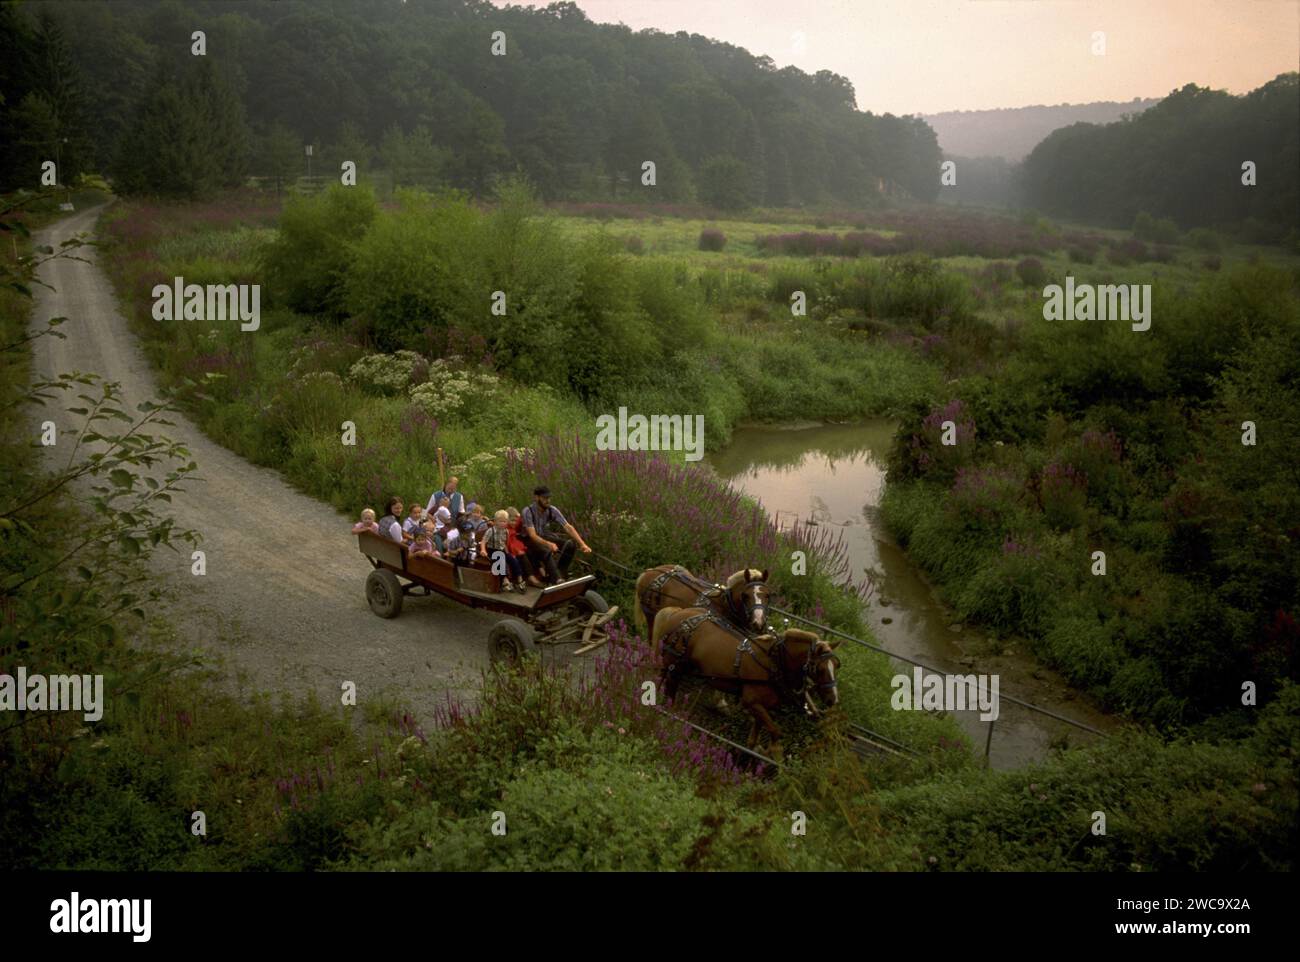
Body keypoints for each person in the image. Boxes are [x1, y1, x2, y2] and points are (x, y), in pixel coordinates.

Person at [522, 485, 591, 584]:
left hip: (542, 536)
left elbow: (568, 527)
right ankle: (557, 579)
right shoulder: (527, 511)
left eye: (549, 498)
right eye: (544, 498)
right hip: (529, 541)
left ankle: (560, 572)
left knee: (570, 545)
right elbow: (532, 535)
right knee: (546, 550)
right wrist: (548, 544)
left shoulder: (552, 509)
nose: (548, 500)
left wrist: (582, 544)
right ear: (536, 498)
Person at [484, 510, 525, 591]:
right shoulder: (491, 530)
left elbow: (504, 543)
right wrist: (483, 550)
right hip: (492, 550)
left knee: (513, 559)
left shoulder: (505, 531)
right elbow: (483, 541)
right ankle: (504, 580)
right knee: (500, 558)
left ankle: (519, 578)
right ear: (495, 522)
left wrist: (508, 553)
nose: (503, 523)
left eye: (505, 522)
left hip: (502, 549)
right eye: (501, 521)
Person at [507, 507, 542, 588]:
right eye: (512, 521)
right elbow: (509, 543)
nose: (514, 523)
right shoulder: (506, 530)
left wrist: (519, 515)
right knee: (523, 556)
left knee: (530, 551)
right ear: (507, 520)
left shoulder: (513, 526)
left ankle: (539, 572)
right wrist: (517, 550)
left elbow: (519, 520)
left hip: (516, 546)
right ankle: (531, 577)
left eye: (515, 521)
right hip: (510, 550)